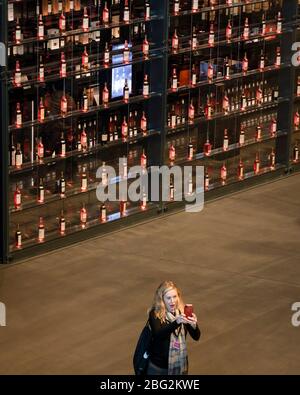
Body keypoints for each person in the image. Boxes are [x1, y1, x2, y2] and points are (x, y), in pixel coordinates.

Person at [147, 280, 201, 375]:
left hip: (180, 365)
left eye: (174, 297)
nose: (172, 301)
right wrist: (177, 322)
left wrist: (193, 325)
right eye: (168, 298)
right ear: (162, 299)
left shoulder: (182, 312)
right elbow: (158, 335)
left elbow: (196, 337)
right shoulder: (155, 313)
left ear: (178, 296)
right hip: (159, 369)